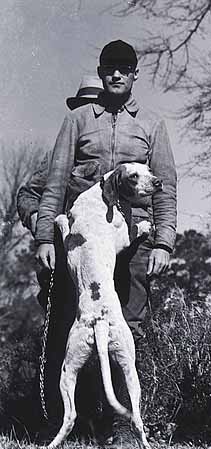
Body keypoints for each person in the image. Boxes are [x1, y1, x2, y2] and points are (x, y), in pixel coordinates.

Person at [34, 40, 178, 443]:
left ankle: (121, 425)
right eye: (109, 68)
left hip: (134, 239)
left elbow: (166, 186)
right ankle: (68, 421)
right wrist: (47, 236)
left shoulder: (151, 124)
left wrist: (163, 242)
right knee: (69, 320)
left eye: (124, 68)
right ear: (101, 73)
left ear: (135, 75)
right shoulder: (78, 119)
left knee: (127, 322)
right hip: (84, 237)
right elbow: (56, 180)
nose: (117, 74)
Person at [17, 75, 104, 429]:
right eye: (82, 106)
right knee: (60, 338)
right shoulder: (59, 156)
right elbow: (27, 194)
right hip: (59, 265)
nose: (87, 113)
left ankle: (101, 421)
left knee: (102, 340)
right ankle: (57, 420)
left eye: (93, 106)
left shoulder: (110, 159)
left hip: (99, 267)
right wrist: (42, 223)